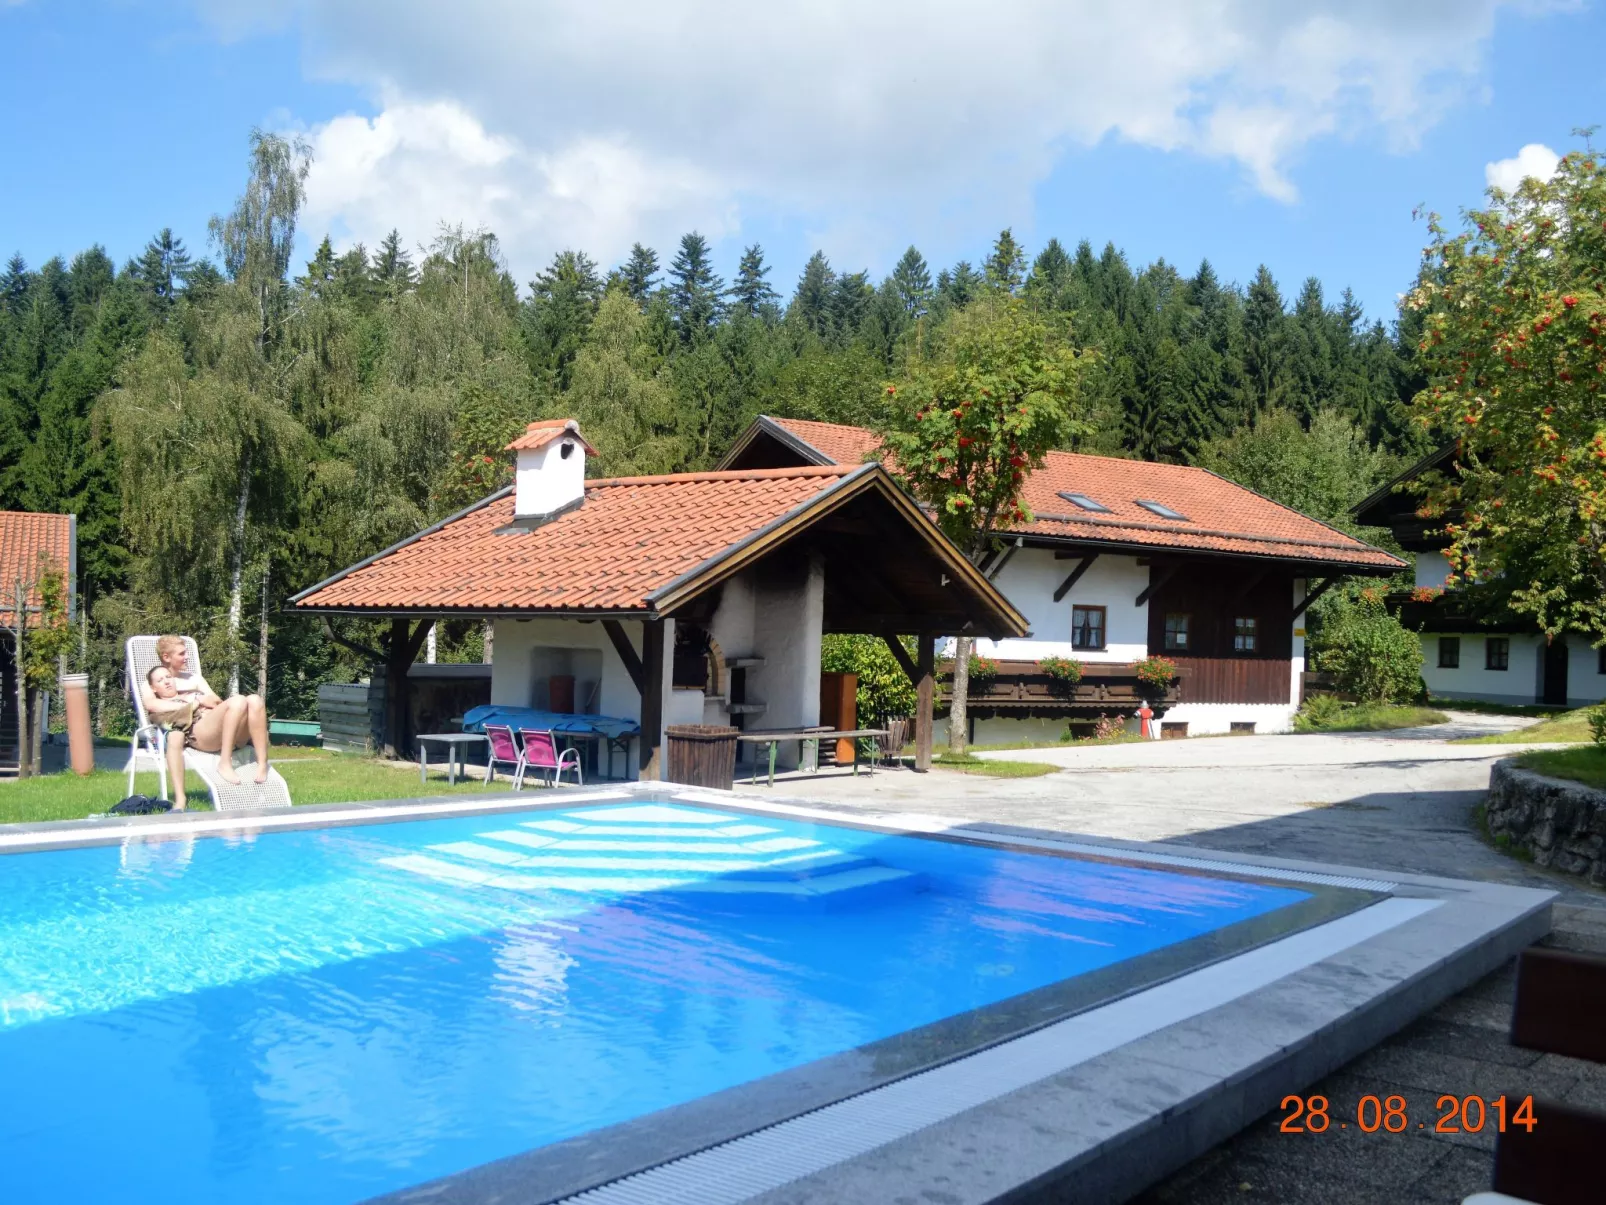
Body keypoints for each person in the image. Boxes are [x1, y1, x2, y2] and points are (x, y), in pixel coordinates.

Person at [149, 635, 270, 786]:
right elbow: (152, 706)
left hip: (219, 727)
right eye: (182, 654)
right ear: (166, 657)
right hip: (198, 732)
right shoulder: (153, 682)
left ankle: (262, 763)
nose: (187, 657)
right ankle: (224, 763)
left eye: (186, 652)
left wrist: (204, 702)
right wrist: (195, 701)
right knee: (238, 700)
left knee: (255, 700)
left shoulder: (195, 679)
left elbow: (217, 702)